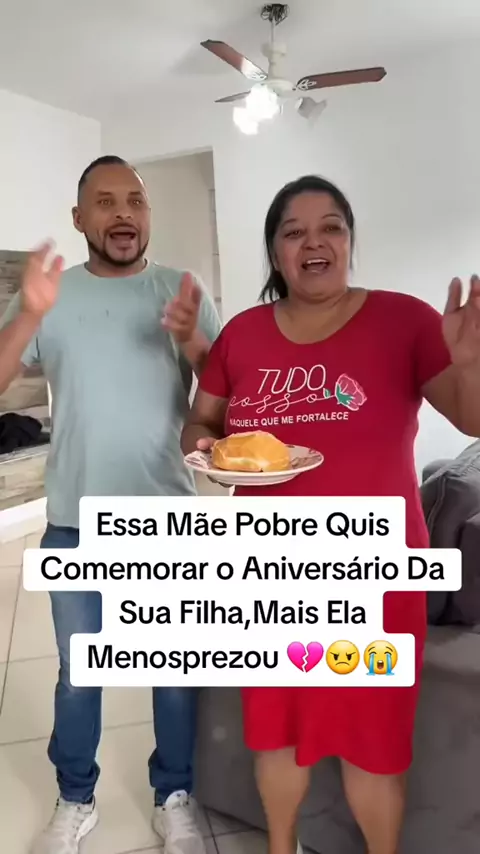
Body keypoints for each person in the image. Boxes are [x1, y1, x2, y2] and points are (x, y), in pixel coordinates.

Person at [181, 174, 480, 854]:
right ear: (275, 252)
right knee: (277, 735)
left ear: (349, 241)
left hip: (376, 580)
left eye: (330, 228)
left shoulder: (404, 321)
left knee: (373, 747)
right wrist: (204, 450)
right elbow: (203, 421)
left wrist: (471, 364)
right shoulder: (243, 334)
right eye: (294, 232)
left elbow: (472, 418)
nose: (313, 242)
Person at [0, 155, 221, 854]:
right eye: (105, 201)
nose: (123, 212)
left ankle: (174, 794)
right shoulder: (52, 295)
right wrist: (29, 313)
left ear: (147, 215)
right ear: (79, 218)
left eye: (135, 200)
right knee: (79, 673)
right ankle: (75, 798)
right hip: (76, 522)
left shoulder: (181, 289)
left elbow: (228, 402)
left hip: (167, 519)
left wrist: (193, 340)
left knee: (175, 671)